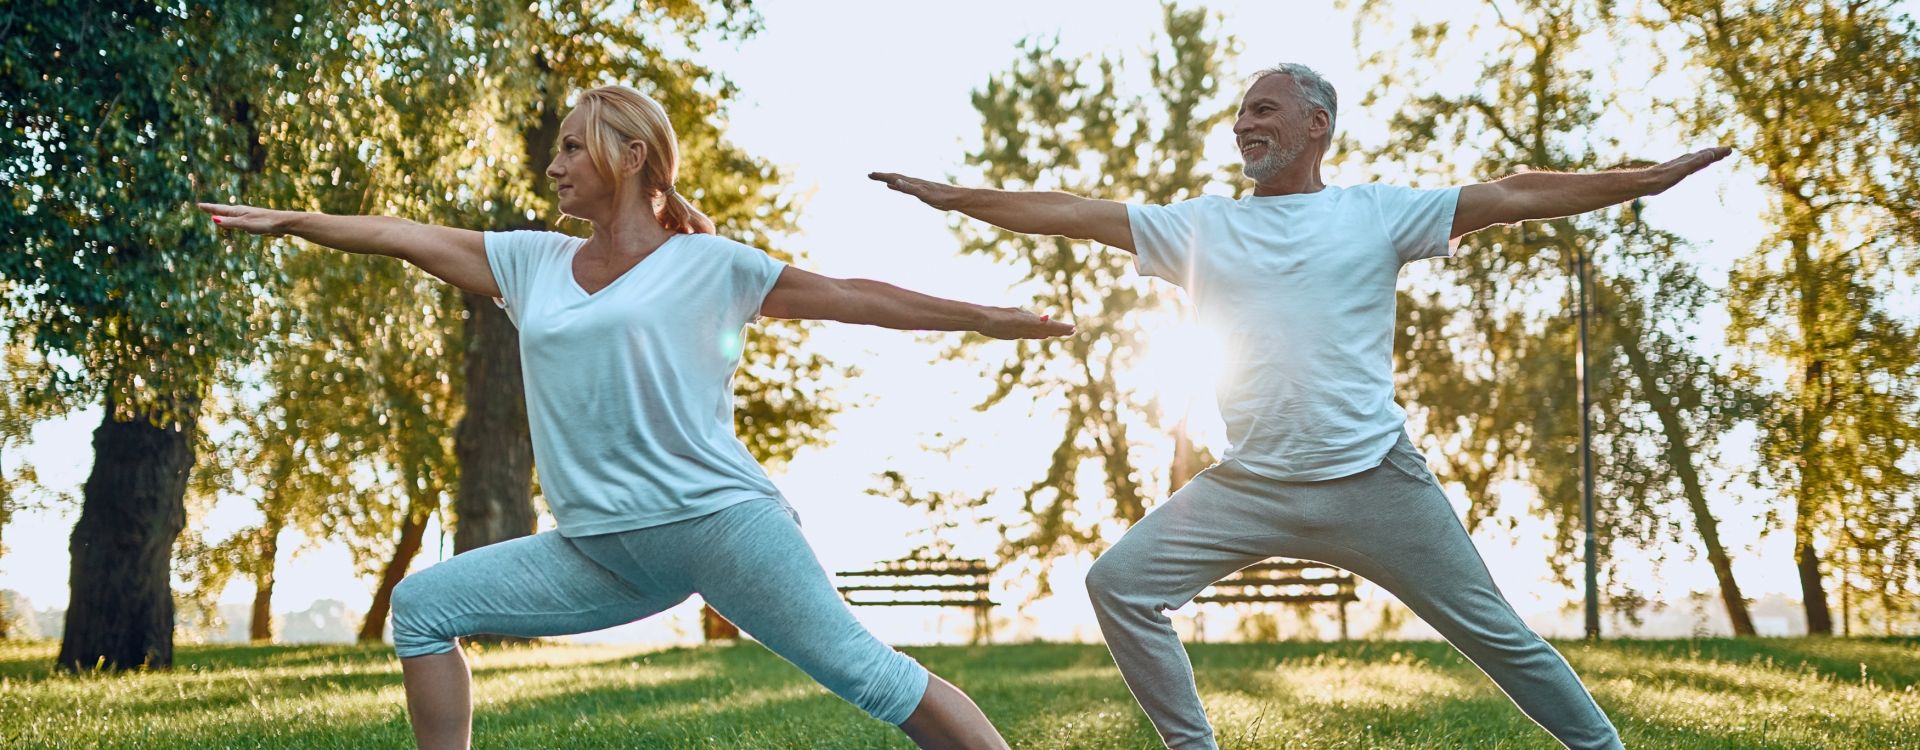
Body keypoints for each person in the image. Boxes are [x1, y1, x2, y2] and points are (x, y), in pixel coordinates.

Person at [872, 62, 1730, 750]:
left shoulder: (1378, 214)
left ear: (1315, 125)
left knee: (1501, 639)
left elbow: (1514, 194)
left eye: (1264, 109)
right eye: (1242, 113)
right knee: (1120, 586)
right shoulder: (1199, 227)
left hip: (1377, 484)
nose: (1245, 124)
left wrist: (1646, 181)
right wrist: (957, 197)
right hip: (1251, 487)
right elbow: (1066, 212)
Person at [202, 84, 1062, 750]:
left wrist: (985, 318)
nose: (554, 165)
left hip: (719, 526)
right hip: (599, 549)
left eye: (572, 147)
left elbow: (849, 297)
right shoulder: (529, 262)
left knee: (872, 679)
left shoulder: (708, 265)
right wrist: (298, 222)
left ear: (633, 154)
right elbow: (404, 235)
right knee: (423, 607)